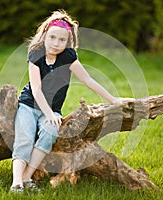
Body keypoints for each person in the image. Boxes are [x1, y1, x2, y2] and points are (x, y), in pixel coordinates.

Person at [10, 10, 133, 193]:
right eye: (52, 37)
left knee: (49, 132)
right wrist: (49, 113)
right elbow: (36, 89)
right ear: (44, 35)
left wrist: (113, 99)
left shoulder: (68, 57)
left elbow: (88, 80)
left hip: (53, 109)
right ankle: (16, 183)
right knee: (25, 138)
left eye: (62, 40)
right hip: (29, 105)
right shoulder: (36, 54)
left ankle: (27, 177)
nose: (56, 43)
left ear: (68, 42)